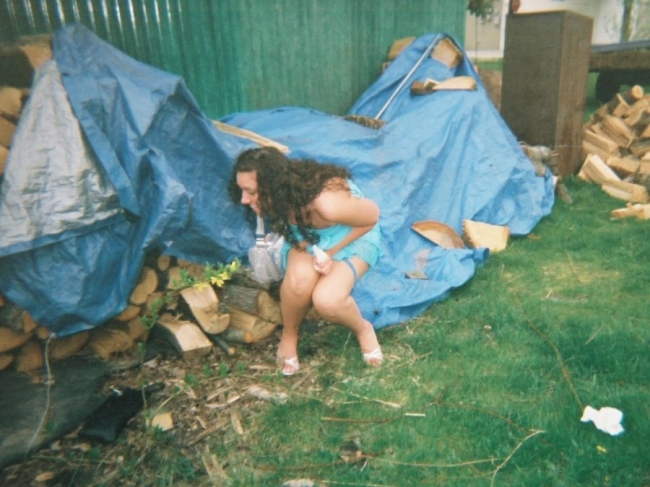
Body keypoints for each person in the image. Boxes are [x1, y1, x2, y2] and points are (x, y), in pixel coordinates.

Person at [229, 147, 383, 376]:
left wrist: (330, 253)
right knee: (300, 281)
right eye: (242, 190)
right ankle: (290, 335)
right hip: (306, 236)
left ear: (272, 186)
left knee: (328, 301)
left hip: (350, 237)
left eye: (250, 191)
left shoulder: (327, 204)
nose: (243, 199)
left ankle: (363, 329)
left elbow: (371, 219)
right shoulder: (281, 197)